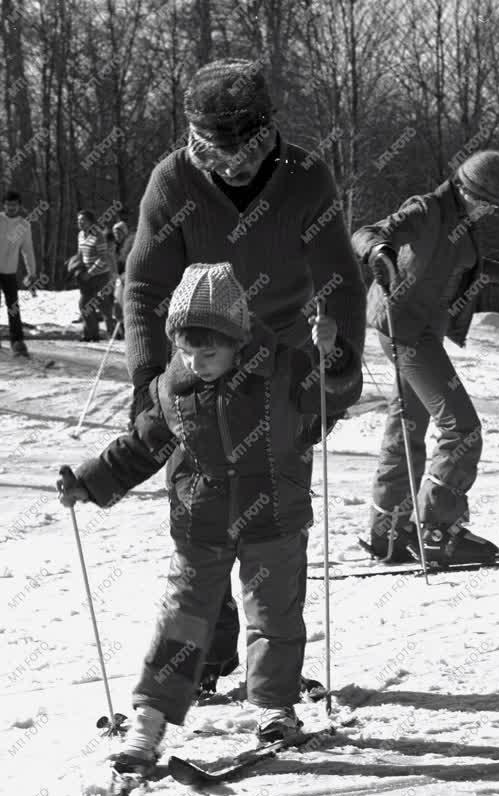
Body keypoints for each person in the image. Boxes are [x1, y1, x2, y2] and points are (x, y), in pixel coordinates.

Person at [57, 261, 362, 772]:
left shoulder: (283, 370)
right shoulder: (171, 390)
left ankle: (274, 708)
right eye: (186, 349)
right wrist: (91, 481)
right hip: (201, 521)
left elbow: (335, 394)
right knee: (183, 618)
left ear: (238, 338)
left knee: (274, 616)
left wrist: (332, 354)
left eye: (209, 351)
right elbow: (140, 447)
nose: (196, 361)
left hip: (274, 517)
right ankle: (150, 721)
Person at [124, 59, 366, 697]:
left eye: (245, 148)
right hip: (196, 366)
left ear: (267, 131)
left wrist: (336, 372)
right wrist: (148, 379)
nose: (232, 163)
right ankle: (208, 654)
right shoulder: (172, 182)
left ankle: (273, 669)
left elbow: (340, 277)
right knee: (199, 508)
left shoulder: (304, 177)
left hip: (280, 367)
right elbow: (145, 285)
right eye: (216, 149)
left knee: (272, 520)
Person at [351, 150, 499, 564]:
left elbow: (451, 265)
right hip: (404, 328)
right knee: (462, 429)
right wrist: (378, 251)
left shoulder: (461, 222)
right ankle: (437, 531)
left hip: (421, 331)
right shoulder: (425, 209)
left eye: (492, 207)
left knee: (406, 426)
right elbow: (366, 232)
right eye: (483, 202)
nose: (486, 211)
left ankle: (386, 530)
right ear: (462, 187)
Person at [0, 190, 37, 356]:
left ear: (19, 206)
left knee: (13, 307)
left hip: (9, 271)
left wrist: (32, 272)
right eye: (8, 205)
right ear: (4, 205)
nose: (11, 208)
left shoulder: (24, 225)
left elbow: (27, 251)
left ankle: (17, 342)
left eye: (14, 205)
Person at [76, 210, 115, 340]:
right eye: (79, 220)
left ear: (91, 222)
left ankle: (115, 333)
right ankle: (91, 334)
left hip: (100, 275)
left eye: (83, 220)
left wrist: (91, 272)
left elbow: (103, 257)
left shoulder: (98, 236)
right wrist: (77, 267)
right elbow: (80, 254)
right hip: (86, 275)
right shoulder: (81, 235)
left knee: (104, 306)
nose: (80, 223)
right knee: (84, 305)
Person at [112, 220, 135, 339]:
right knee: (117, 307)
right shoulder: (116, 246)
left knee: (124, 306)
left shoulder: (130, 243)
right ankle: (122, 333)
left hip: (128, 278)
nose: (117, 235)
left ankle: (128, 334)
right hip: (119, 279)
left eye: (119, 232)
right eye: (115, 233)